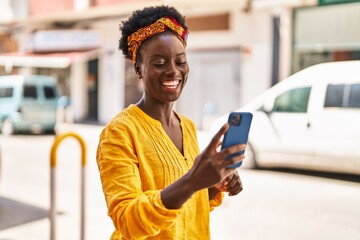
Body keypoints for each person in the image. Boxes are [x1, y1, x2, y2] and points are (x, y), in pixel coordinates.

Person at [96, 5, 246, 240]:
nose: (173, 71)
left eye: (181, 61)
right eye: (159, 63)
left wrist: (212, 185)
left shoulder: (186, 126)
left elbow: (185, 208)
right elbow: (127, 220)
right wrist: (192, 180)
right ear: (138, 69)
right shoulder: (119, 132)